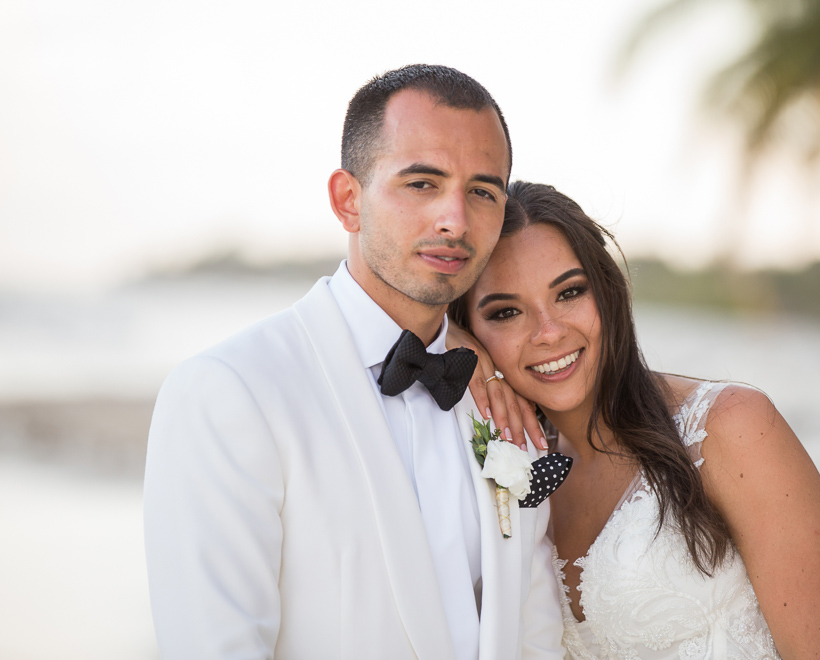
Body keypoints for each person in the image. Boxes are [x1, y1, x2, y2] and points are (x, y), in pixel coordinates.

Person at [143, 66, 564, 659]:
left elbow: (532, 634)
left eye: (482, 192)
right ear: (348, 200)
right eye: (422, 183)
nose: (455, 220)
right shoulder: (229, 392)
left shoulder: (501, 408)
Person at [449, 182, 820, 659]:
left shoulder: (732, 427)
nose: (548, 332)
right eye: (505, 312)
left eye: (569, 293)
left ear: (608, 291)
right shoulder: (516, 467)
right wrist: (449, 340)